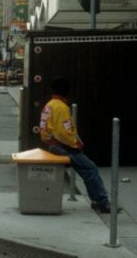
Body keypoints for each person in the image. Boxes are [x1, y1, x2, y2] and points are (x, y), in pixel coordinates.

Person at [39, 76, 115, 214]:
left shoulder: (50, 105)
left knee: (87, 170)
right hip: (62, 147)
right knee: (90, 169)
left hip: (52, 144)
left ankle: (98, 201)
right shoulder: (61, 108)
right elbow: (64, 132)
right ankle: (102, 202)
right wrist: (76, 144)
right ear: (67, 91)